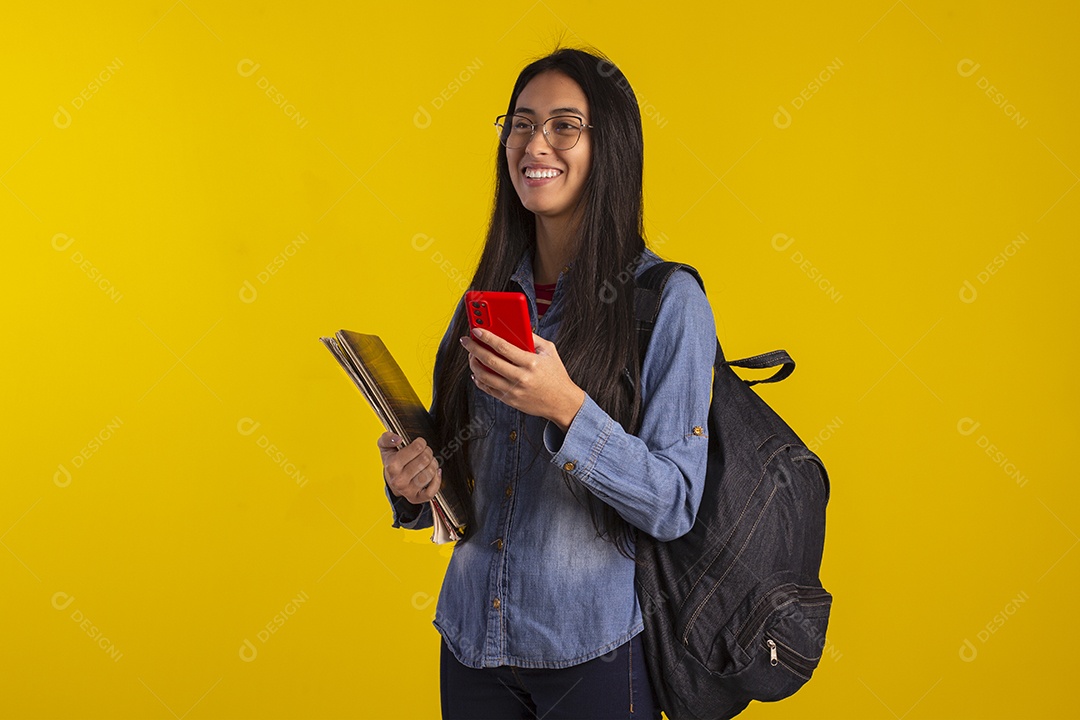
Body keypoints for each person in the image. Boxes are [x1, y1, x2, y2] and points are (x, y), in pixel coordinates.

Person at [376, 47, 716, 719]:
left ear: (608, 146)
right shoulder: (486, 300)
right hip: (474, 648)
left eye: (565, 124)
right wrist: (415, 481)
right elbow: (466, 475)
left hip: (592, 653)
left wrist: (566, 407)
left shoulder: (666, 301)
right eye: (521, 123)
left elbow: (675, 502)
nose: (535, 142)